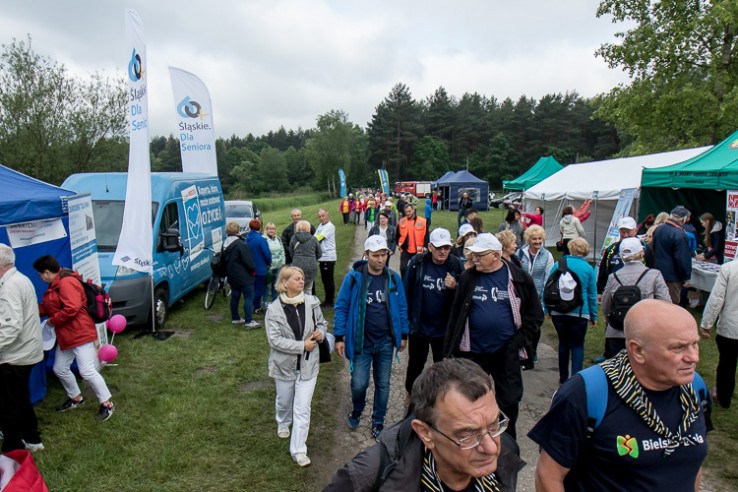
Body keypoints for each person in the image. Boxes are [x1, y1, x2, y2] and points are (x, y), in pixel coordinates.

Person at [529, 300, 710, 491]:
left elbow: (692, 466)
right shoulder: (586, 393)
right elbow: (548, 476)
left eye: (694, 344)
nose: (694, 357)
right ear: (638, 350)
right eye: (678, 348)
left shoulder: (694, 388)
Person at [324, 358, 525, 491]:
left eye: (494, 425)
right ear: (425, 433)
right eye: (467, 435)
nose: (491, 448)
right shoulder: (370, 472)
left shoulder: (507, 451)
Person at [444, 233, 544, 438]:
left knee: (509, 400)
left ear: (496, 256)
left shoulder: (519, 278)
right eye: (474, 254)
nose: (475, 259)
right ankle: (475, 440)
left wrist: (516, 343)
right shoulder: (469, 277)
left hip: (505, 352)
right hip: (473, 352)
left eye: (480, 255)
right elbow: (455, 315)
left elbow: (535, 315)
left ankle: (506, 443)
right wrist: (448, 351)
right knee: (471, 399)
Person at [334, 235, 409, 441]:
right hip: (362, 342)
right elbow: (341, 307)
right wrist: (339, 336)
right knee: (359, 384)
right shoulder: (354, 279)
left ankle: (378, 421)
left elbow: (402, 307)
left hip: (385, 342)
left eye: (384, 255)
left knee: (383, 383)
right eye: (376, 255)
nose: (380, 259)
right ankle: (357, 410)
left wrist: (403, 335)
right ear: (366, 255)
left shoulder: (393, 279)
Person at [33, 255, 115, 421]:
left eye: (40, 274)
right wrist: (29, 310)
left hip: (80, 333)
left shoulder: (66, 283)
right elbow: (49, 307)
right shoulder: (57, 284)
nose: (40, 277)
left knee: (87, 371)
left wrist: (52, 321)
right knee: (60, 368)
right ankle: (76, 398)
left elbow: (72, 307)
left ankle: (107, 404)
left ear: (47, 272)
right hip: (68, 336)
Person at [264, 266, 327, 467]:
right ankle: (283, 421)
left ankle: (299, 450)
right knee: (284, 401)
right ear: (285, 283)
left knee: (302, 409)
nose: (301, 281)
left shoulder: (312, 302)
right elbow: (274, 340)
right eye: (297, 278)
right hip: (284, 367)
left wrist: (320, 333)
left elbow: (322, 323)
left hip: (308, 365)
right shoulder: (273, 310)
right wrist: (301, 346)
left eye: (302, 278)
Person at [403, 228, 462, 394]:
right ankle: (412, 396)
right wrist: (405, 325)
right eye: (438, 247)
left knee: (443, 369)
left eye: (446, 247)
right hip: (419, 328)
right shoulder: (418, 263)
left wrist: (455, 286)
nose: (443, 251)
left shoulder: (455, 265)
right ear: (430, 247)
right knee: (415, 366)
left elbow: (465, 296)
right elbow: (406, 292)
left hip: (443, 331)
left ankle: (439, 400)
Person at [0, 244, 44, 452]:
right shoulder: (21, 279)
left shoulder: (9, 287)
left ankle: (13, 447)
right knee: (19, 397)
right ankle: (32, 438)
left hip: (15, 355)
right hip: (26, 350)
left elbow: (11, 327)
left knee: (7, 404)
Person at [601, 238, 670, 358]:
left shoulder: (613, 277)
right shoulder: (654, 275)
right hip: (645, 331)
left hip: (617, 330)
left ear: (621, 256)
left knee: (619, 367)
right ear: (641, 253)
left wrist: (608, 318)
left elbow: (605, 306)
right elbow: (666, 303)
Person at [547, 238, 597, 384]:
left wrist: (548, 308)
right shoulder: (588, 268)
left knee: (563, 343)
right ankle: (576, 379)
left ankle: (563, 377)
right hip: (580, 311)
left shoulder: (558, 264)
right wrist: (593, 314)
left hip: (559, 311)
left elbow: (548, 287)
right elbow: (592, 294)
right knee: (577, 345)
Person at [700, 258, 738, 409]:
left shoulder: (729, 268)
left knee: (727, 364)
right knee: (727, 363)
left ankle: (723, 398)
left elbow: (717, 298)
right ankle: (723, 397)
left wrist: (706, 323)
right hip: (731, 326)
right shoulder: (728, 268)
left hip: (731, 327)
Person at [516, 225, 554, 363]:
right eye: (534, 239)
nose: (537, 242)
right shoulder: (520, 253)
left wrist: (544, 298)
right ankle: (522, 350)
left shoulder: (547, 255)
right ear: (528, 240)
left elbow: (549, 277)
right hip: (521, 295)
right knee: (520, 324)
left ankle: (533, 351)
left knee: (535, 325)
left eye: (539, 239)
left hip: (537, 295)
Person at [652, 205, 692, 304]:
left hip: (657, 271)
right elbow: (682, 258)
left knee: (657, 301)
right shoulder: (680, 234)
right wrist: (686, 277)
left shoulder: (658, 229)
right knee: (672, 303)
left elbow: (653, 249)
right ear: (683, 219)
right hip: (672, 277)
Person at [222, 222, 259, 328]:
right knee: (248, 296)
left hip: (231, 275)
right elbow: (248, 261)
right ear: (238, 231)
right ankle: (249, 321)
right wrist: (253, 270)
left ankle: (235, 318)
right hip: (243, 276)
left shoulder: (224, 244)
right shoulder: (240, 244)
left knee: (235, 296)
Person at [596, 216, 639, 298]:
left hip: (637, 291)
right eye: (622, 232)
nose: (625, 235)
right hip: (615, 291)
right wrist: (600, 291)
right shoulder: (612, 249)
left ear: (635, 231)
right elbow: (603, 270)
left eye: (628, 231)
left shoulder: (643, 248)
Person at [245, 220, 272, 315]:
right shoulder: (261, 239)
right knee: (259, 288)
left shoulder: (247, 238)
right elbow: (266, 254)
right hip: (260, 267)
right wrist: (269, 262)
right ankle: (256, 307)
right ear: (260, 227)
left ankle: (250, 305)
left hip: (249, 268)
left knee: (251, 288)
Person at [289, 220, 321, 294]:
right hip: (311, 266)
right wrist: (312, 259)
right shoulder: (313, 239)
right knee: (308, 290)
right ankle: (307, 301)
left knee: (297, 289)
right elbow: (319, 253)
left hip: (297, 266)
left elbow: (291, 252)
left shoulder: (293, 238)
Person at [397, 203, 429, 279]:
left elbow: (427, 235)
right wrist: (399, 245)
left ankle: (415, 284)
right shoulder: (401, 221)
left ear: (413, 210)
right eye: (406, 212)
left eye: (409, 211)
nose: (408, 213)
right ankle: (404, 283)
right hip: (405, 250)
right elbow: (397, 235)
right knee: (403, 268)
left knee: (417, 270)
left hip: (418, 250)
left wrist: (425, 246)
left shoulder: (423, 221)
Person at [315, 209, 336, 308]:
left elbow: (318, 238)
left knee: (328, 280)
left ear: (327, 215)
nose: (321, 218)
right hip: (322, 257)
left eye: (323, 216)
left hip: (328, 257)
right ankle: (327, 300)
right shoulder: (321, 226)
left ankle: (330, 301)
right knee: (325, 280)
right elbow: (315, 236)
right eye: (319, 216)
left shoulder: (329, 226)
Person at [263, 222, 285, 304]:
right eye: (269, 229)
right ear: (266, 230)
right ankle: (265, 301)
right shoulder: (264, 239)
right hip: (268, 266)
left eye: (273, 229)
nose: (271, 230)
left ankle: (275, 300)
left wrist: (283, 261)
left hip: (278, 265)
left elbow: (282, 250)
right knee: (266, 284)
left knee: (275, 284)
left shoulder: (278, 238)